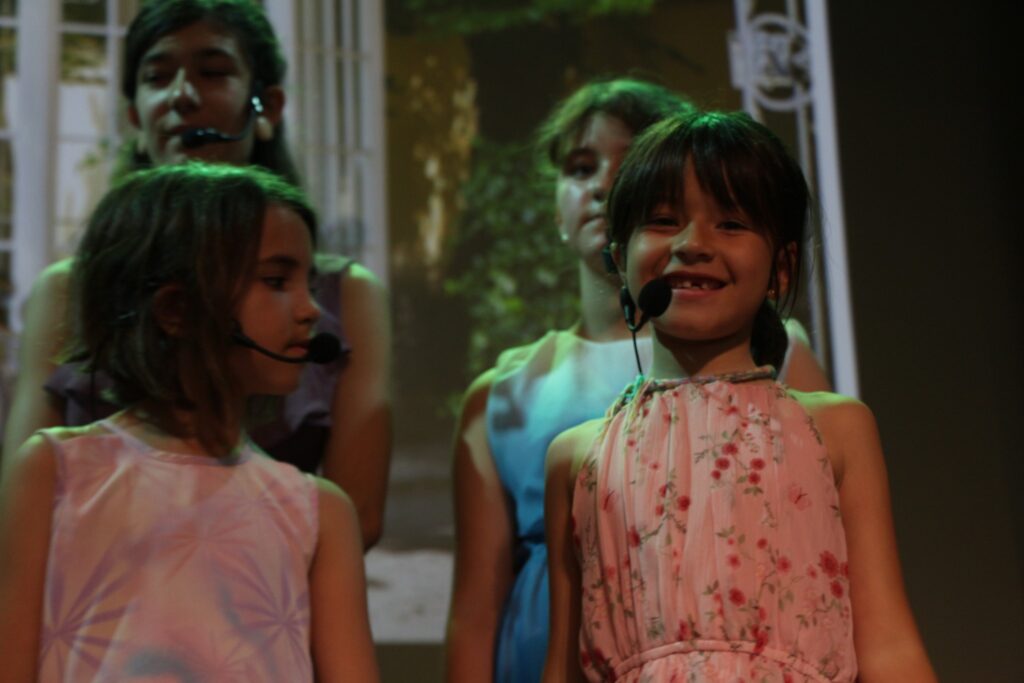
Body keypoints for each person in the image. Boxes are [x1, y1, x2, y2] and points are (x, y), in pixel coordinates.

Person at [446, 79, 832, 682]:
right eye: (581, 167)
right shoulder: (507, 392)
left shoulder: (778, 359)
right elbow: (475, 611)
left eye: (628, 164)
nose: (602, 184)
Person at [542, 111, 936, 682]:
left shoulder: (835, 429)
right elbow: (564, 667)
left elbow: (889, 644)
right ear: (619, 258)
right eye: (663, 220)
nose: (692, 244)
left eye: (730, 223)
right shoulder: (577, 458)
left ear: (782, 268)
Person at [1, 0, 391, 549]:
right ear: (134, 117)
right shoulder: (68, 290)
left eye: (213, 72)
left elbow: (359, 517)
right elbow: (20, 516)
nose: (181, 96)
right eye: (156, 77)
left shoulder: (346, 294)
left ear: (267, 106)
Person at [0, 163, 380, 683]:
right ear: (175, 308)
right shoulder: (56, 470)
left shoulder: (319, 511)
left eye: (309, 283)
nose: (312, 309)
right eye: (276, 281)